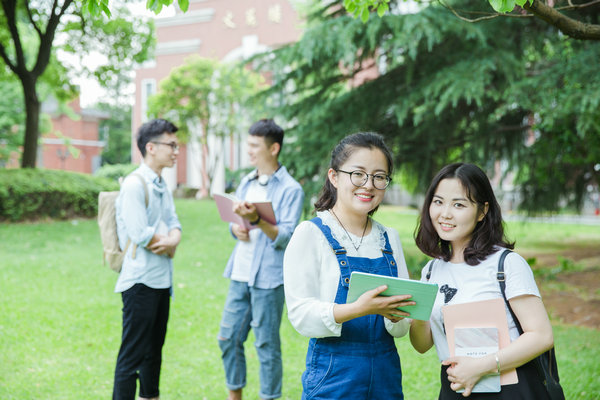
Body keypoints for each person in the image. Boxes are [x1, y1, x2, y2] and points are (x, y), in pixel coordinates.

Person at [283, 132, 415, 399]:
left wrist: (395, 317)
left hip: (386, 373)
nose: (368, 185)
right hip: (334, 373)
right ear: (334, 176)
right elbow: (300, 314)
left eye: (379, 176)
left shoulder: (389, 238)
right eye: (358, 174)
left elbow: (403, 326)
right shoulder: (310, 234)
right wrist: (357, 309)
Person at [410, 162, 555, 399]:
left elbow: (541, 336)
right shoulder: (431, 270)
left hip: (509, 389)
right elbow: (422, 344)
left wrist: (482, 366)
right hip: (455, 388)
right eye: (438, 202)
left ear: (482, 211)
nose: (445, 213)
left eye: (458, 204)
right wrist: (412, 311)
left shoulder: (506, 264)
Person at [218, 118, 304, 400]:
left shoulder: (291, 189)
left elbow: (286, 237)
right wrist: (236, 227)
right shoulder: (247, 181)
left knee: (266, 345)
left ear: (274, 148)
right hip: (239, 274)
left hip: (268, 278)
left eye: (255, 146)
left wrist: (257, 219)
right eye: (249, 145)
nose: (250, 151)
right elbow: (236, 222)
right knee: (228, 339)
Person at [113, 118, 182, 400]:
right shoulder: (133, 184)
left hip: (161, 281)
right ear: (151, 147)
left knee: (154, 354)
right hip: (139, 282)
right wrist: (169, 244)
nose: (176, 150)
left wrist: (172, 241)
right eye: (172, 145)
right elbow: (140, 234)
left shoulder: (161, 184)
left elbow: (174, 222)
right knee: (132, 357)